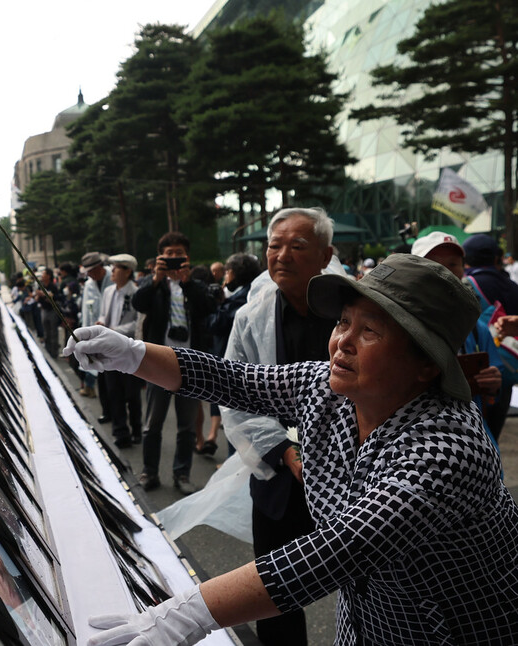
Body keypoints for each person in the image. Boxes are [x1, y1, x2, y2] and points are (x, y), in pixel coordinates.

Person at [66, 253, 518, 646]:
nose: (343, 341)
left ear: (425, 363)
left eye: (370, 331)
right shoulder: (329, 389)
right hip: (369, 622)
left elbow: (340, 550)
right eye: (343, 321)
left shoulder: (448, 448)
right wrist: (130, 354)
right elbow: (235, 380)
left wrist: (189, 613)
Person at [222, 207, 339, 645]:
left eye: (298, 246)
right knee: (273, 589)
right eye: (274, 245)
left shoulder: (355, 309)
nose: (282, 255)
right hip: (281, 475)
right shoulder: (249, 319)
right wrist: (287, 453)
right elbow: (235, 393)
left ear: (325, 256)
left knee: (367, 583)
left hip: (352, 469)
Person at [132, 232, 215, 494]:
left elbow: (209, 308)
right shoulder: (152, 284)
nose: (172, 258)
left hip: (191, 363)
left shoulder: (196, 285)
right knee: (152, 424)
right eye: (167, 254)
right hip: (159, 361)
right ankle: (149, 472)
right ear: (160, 257)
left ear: (186, 256)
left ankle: (182, 475)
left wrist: (188, 282)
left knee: (187, 426)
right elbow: (138, 303)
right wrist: (156, 280)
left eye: (177, 253)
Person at [411, 231, 502, 447]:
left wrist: (493, 384)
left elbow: (493, 392)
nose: (445, 272)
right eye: (433, 263)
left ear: (463, 269)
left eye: (453, 264)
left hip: (472, 442)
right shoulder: (395, 324)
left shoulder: (477, 328)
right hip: (415, 442)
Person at [204, 253, 262, 456]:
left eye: (227, 272)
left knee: (237, 425)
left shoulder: (243, 298)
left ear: (236, 274)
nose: (224, 278)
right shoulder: (248, 293)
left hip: (235, 368)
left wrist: (217, 304)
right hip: (237, 365)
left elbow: (217, 324)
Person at [462, 233, 518, 438]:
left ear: (465, 259)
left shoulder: (465, 285)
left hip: (476, 376)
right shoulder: (512, 286)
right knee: (493, 438)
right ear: (496, 259)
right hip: (509, 370)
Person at [97, 254, 143, 448]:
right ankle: (120, 432)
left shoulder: (136, 293)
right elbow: (103, 313)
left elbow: (137, 323)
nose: (112, 272)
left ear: (127, 271)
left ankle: (137, 428)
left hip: (128, 349)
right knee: (113, 391)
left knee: (131, 393)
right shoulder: (108, 291)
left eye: (116, 268)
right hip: (108, 350)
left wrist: (114, 331)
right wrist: (101, 323)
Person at [81, 252, 112, 402]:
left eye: (91, 271)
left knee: (112, 369)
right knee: (97, 365)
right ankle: (93, 390)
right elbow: (85, 310)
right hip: (94, 330)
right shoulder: (88, 284)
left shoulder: (113, 278)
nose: (90, 275)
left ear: (99, 267)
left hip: (113, 331)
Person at [35, 268, 61, 358]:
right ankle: (47, 352)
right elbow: (37, 298)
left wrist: (48, 296)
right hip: (44, 310)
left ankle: (54, 353)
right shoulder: (40, 285)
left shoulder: (53, 286)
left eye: (43, 274)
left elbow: (57, 297)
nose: (42, 276)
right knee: (46, 332)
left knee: (53, 332)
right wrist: (38, 295)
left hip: (52, 310)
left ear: (48, 276)